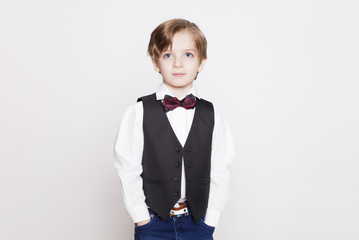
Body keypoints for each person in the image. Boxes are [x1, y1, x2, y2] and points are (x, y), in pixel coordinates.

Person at [114, 18, 235, 240]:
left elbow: (220, 172)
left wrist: (211, 220)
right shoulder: (138, 113)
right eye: (168, 55)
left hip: (198, 224)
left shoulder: (213, 115)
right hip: (153, 224)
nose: (178, 63)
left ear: (201, 62)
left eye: (188, 55)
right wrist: (142, 220)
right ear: (155, 62)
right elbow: (127, 170)